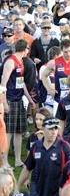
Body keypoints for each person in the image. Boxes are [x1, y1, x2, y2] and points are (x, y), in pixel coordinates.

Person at [16, 117, 70, 196]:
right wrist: (17, 187)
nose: (54, 132)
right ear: (43, 129)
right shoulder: (36, 146)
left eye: (55, 128)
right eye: (50, 128)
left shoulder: (64, 146)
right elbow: (27, 168)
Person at [1, 39, 35, 168]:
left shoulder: (21, 62)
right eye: (27, 49)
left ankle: (17, 160)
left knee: (19, 131)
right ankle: (4, 162)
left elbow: (22, 83)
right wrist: (4, 103)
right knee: (8, 132)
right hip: (10, 99)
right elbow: (3, 84)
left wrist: (30, 99)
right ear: (24, 48)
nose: (28, 51)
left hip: (19, 99)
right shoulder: (10, 61)